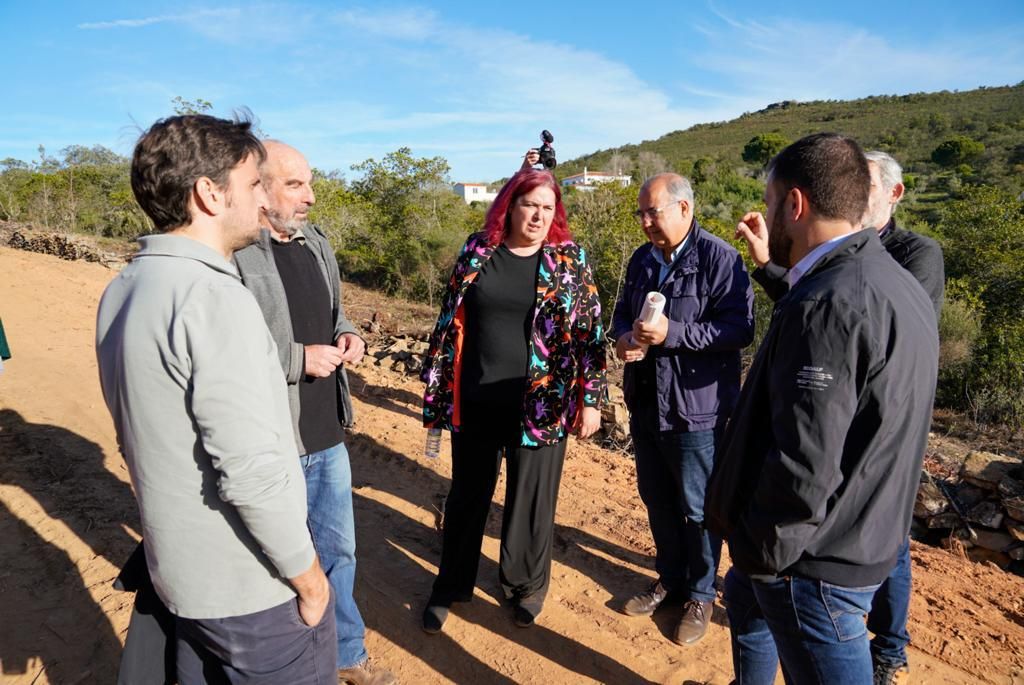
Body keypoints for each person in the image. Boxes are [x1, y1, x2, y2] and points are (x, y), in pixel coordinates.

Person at [95, 114, 336, 683]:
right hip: (249, 586)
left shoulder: (127, 286)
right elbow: (249, 470)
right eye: (254, 184)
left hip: (178, 574)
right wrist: (308, 577)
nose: (262, 200)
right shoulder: (214, 298)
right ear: (209, 192)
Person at [706, 133, 939, 684]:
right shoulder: (889, 282)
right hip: (857, 534)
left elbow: (803, 456)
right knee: (744, 603)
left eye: (771, 202)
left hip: (812, 565)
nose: (769, 216)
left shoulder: (831, 301)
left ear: (795, 204)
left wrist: (766, 555)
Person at [234, 141, 394, 685]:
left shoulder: (314, 242)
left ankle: (346, 655)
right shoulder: (235, 254)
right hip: (274, 439)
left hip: (325, 431)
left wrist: (348, 334)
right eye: (296, 185)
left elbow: (335, 312)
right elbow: (230, 346)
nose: (310, 197)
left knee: (338, 551)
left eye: (309, 183)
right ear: (260, 187)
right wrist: (299, 358)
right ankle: (293, 664)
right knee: (280, 561)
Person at [420, 168, 606, 632]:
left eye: (548, 208)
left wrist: (591, 400)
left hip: (543, 403)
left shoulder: (569, 259)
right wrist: (438, 382)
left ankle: (525, 586)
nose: (539, 215)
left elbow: (591, 334)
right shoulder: (478, 250)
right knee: (467, 497)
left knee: (531, 501)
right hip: (477, 396)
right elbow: (449, 319)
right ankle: (452, 584)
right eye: (530, 205)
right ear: (510, 206)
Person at [610, 173, 754, 646]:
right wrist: (625, 342)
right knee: (657, 498)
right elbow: (620, 321)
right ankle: (669, 579)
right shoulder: (640, 260)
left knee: (697, 509)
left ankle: (700, 593)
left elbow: (738, 331)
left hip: (698, 411)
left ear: (685, 209)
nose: (647, 222)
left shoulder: (722, 259)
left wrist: (671, 333)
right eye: (643, 214)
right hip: (647, 402)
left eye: (654, 212)